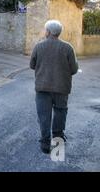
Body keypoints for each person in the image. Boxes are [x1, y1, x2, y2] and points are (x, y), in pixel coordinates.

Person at [29, 20, 79, 154]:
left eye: (45, 30)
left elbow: (32, 65)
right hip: (62, 88)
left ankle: (45, 143)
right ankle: (58, 138)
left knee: (44, 115)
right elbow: (74, 69)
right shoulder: (68, 48)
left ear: (48, 32)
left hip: (42, 88)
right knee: (60, 113)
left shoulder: (39, 47)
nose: (44, 32)